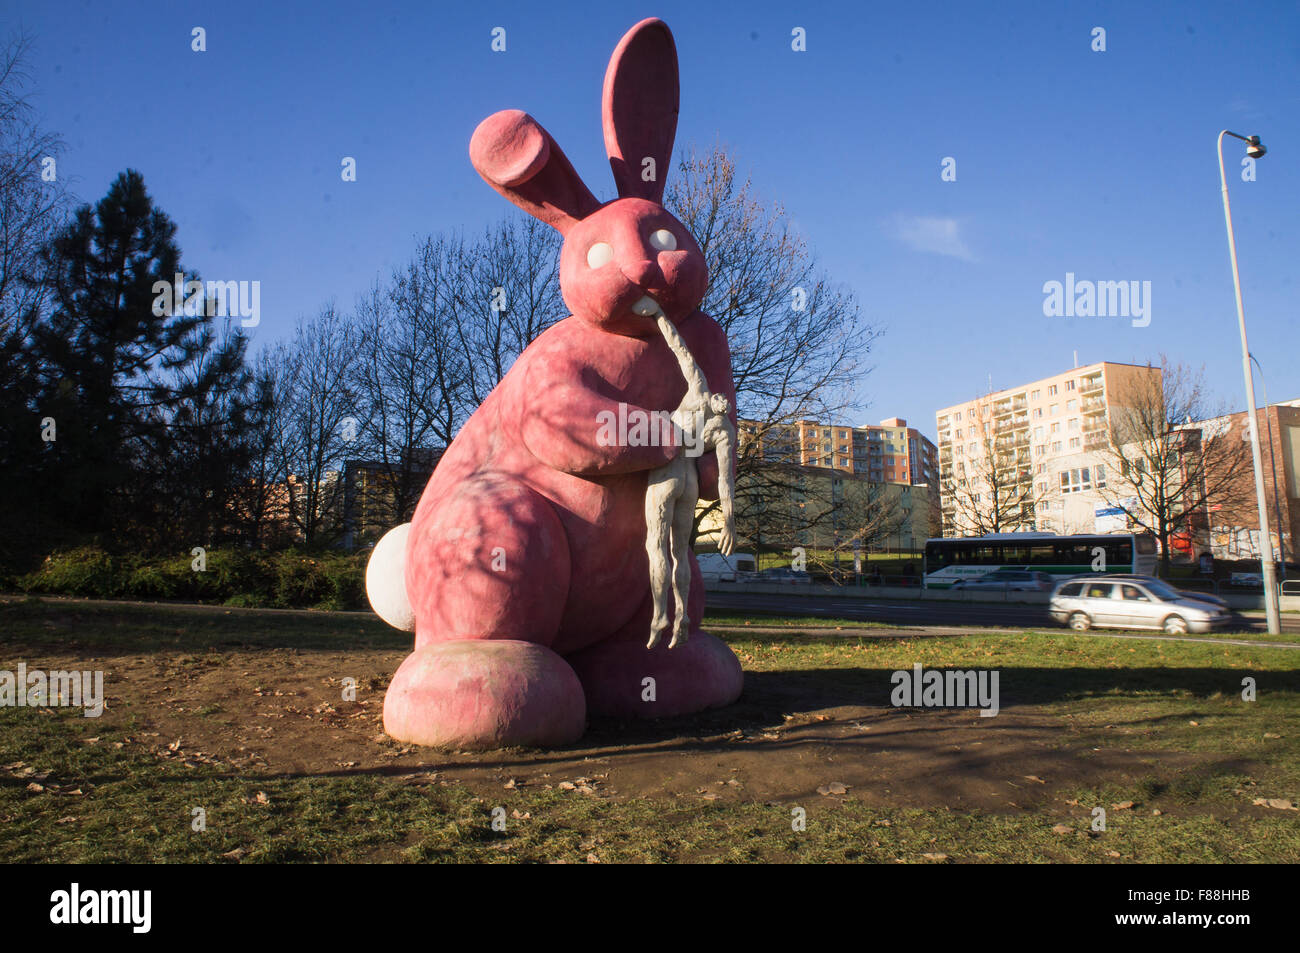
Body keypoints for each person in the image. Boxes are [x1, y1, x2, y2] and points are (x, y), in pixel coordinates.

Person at [645, 312, 736, 649]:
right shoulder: (725, 431)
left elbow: (678, 347)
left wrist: (657, 315)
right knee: (679, 551)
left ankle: (660, 616)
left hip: (669, 470)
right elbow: (725, 481)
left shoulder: (699, 389)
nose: (724, 401)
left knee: (656, 544)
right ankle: (681, 614)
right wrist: (729, 520)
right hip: (690, 481)